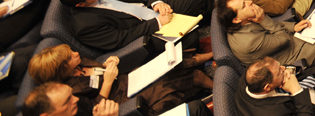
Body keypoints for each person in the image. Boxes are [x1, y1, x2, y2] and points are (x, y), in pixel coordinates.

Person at [27, 43, 211, 115]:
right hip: (120, 98)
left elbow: (98, 71)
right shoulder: (74, 90)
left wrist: (106, 65)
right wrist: (107, 81)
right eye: (69, 57)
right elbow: (95, 107)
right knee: (167, 82)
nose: (76, 53)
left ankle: (209, 61)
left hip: (125, 81)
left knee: (166, 66)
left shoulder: (80, 63)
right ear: (61, 71)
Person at [57, 0, 213, 53]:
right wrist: (157, 23)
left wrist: (156, 2)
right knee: (189, 38)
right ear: (81, 4)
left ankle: (221, 20)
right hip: (145, 31)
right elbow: (121, 39)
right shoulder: (84, 26)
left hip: (153, 8)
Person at [216, 0, 315, 66]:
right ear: (236, 19)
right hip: (292, 57)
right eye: (244, 5)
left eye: (244, 0)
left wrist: (293, 27)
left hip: (285, 44)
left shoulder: (243, 22)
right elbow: (283, 39)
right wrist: (263, 19)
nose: (249, 2)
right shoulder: (249, 43)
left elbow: (273, 26)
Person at [21, 82, 119, 116]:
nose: (76, 99)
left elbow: (91, 107)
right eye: (67, 100)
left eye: (71, 94)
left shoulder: (74, 105)